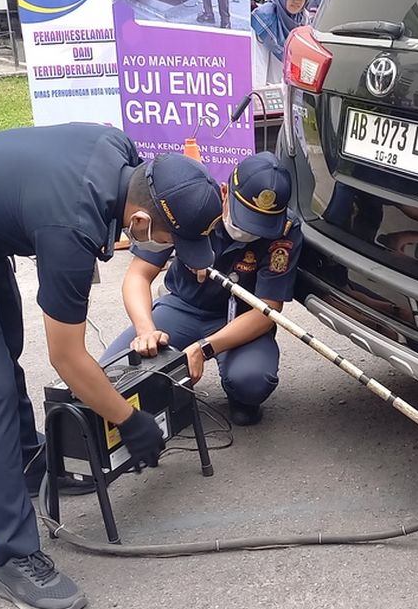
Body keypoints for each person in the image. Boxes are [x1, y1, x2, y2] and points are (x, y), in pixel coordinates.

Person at [0, 125, 223, 609]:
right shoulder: (70, 228)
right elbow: (68, 357)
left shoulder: (120, 153)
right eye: (171, 242)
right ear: (142, 220)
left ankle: (25, 463)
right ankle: (13, 557)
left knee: (4, 351)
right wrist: (128, 420)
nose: (171, 252)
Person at [104, 152, 303, 426]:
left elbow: (268, 310)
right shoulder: (194, 203)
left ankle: (238, 395)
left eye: (261, 226)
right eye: (245, 218)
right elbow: (138, 276)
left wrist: (205, 348)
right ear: (225, 193)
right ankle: (162, 392)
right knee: (113, 374)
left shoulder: (287, 230)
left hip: (243, 319)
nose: (250, 231)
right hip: (184, 307)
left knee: (252, 382)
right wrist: (145, 329)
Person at [251, 0, 310, 87]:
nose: (297, 1)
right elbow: (258, 64)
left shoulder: (303, 17)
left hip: (294, 91)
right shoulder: (263, 18)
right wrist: (259, 96)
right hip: (270, 91)